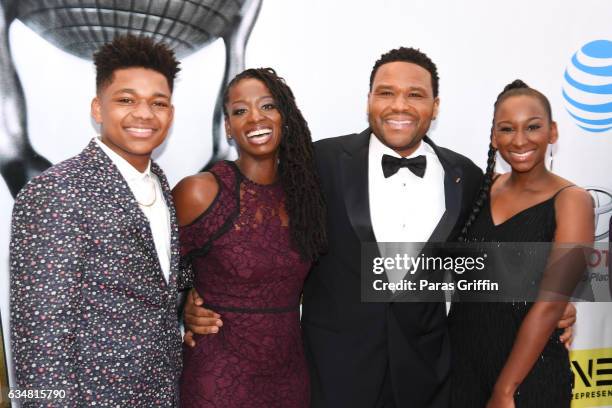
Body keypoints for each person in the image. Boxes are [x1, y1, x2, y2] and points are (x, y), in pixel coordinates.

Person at [183, 49, 577, 408]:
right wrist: (191, 297)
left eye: (415, 94)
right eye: (386, 93)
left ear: (435, 106)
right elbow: (248, 233)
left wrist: (557, 303)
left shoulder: (467, 177)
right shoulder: (318, 162)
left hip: (428, 375)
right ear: (369, 100)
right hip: (333, 373)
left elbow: (487, 260)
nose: (399, 106)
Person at [10, 35, 184, 406]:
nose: (144, 114)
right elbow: (38, 339)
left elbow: (157, 289)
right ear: (98, 108)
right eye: (126, 100)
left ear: (170, 112)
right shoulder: (56, 191)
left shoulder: (159, 184)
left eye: (159, 103)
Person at [173, 67, 327, 407]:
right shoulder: (201, 192)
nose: (255, 117)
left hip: (289, 377)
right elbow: (151, 275)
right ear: (228, 127)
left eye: (268, 106)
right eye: (240, 111)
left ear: (285, 116)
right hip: (219, 376)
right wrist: (184, 304)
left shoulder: (306, 196)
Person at [448, 80, 594, 408]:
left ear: (553, 131)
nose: (519, 140)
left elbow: (551, 305)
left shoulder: (573, 201)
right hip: (463, 366)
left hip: (528, 375)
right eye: (507, 128)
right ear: (493, 136)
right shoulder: (481, 189)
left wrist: (505, 390)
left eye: (533, 127)